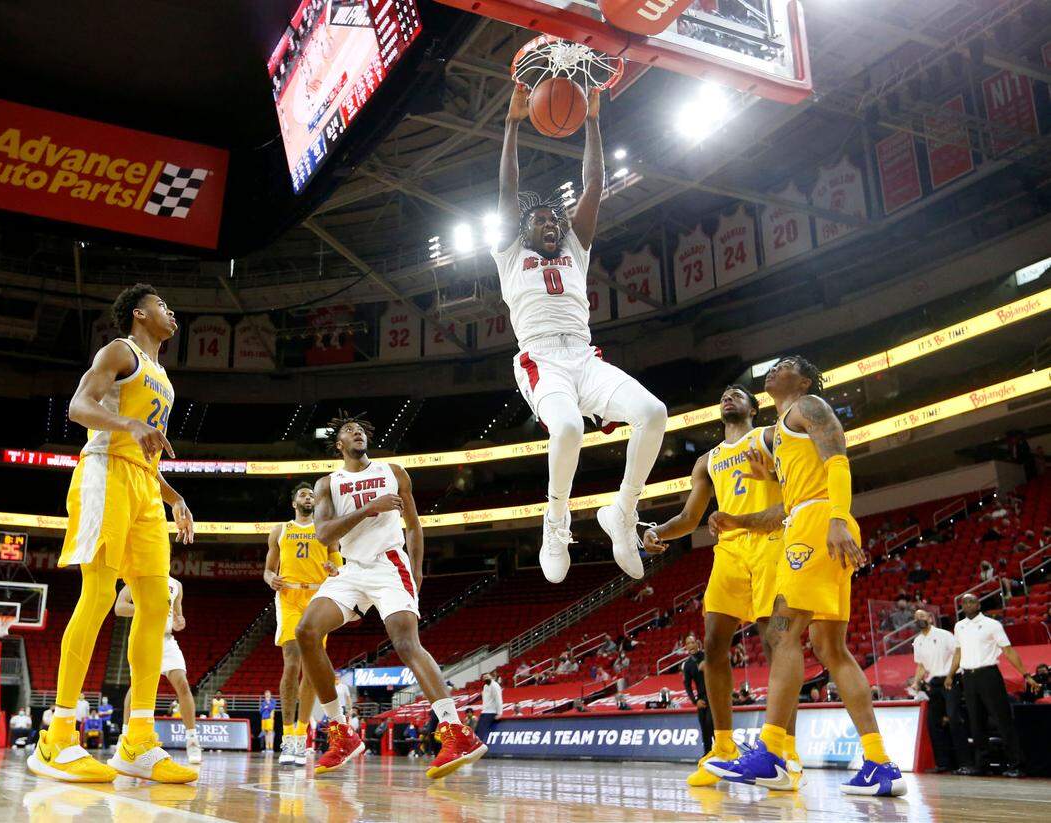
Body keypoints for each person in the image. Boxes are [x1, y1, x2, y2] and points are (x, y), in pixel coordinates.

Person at [705, 356, 906, 796]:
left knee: (781, 633)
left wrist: (836, 517)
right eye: (773, 366)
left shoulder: (809, 406)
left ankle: (772, 752)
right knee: (829, 647)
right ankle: (879, 763)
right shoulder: (780, 435)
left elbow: (838, 461)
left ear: (807, 379)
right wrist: (740, 521)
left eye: (787, 365)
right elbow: (785, 506)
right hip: (807, 520)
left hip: (817, 525)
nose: (775, 370)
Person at [495, 83, 667, 584]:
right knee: (567, 429)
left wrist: (591, 119)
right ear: (524, 230)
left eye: (555, 219)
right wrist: (512, 125)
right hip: (541, 359)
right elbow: (508, 191)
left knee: (653, 413)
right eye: (542, 220)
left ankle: (623, 512)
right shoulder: (509, 252)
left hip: (584, 357)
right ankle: (555, 520)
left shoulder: (575, 244)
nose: (551, 224)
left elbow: (593, 185)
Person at [27, 284, 196, 785]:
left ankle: (137, 740)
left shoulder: (163, 376)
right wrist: (126, 423)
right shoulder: (120, 350)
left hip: (144, 486)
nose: (172, 311)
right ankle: (56, 737)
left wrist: (174, 497)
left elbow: (142, 446)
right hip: (104, 474)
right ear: (141, 314)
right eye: (164, 305)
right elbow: (79, 407)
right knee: (99, 594)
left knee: (154, 604)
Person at [294, 412, 486, 778]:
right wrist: (369, 509)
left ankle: (456, 731)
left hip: (388, 564)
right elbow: (323, 534)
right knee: (305, 632)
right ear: (339, 445)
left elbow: (413, 526)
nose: (357, 434)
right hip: (351, 569)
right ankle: (341, 734)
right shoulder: (326, 485)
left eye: (361, 430)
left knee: (406, 643)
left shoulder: (393, 472)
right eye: (349, 431)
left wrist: (415, 570)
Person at [643, 385, 800, 787]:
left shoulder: (769, 436)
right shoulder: (707, 461)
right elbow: (689, 517)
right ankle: (723, 745)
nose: (728, 396)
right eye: (724, 394)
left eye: (738, 393)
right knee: (713, 645)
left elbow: (798, 489)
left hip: (770, 541)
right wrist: (656, 531)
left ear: (753, 406)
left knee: (775, 644)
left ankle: (784, 749)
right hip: (729, 550)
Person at [265, 482, 343, 766]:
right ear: (294, 502)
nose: (308, 497)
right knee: (292, 662)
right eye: (302, 494)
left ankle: (301, 735)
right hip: (289, 596)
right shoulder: (280, 530)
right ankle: (287, 737)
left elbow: (337, 560)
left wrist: (336, 568)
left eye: (311, 494)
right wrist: (268, 578)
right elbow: (268, 569)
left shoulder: (326, 528)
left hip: (318, 596)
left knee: (312, 668)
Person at [948, 593, 1038, 777]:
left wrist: (1026, 675)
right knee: (976, 721)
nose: (968, 604)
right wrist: (950, 674)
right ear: (962, 606)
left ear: (978, 604)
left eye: (972, 601)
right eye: (964, 602)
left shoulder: (992, 624)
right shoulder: (959, 626)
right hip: (968, 677)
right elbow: (958, 653)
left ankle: (1016, 764)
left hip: (988, 674)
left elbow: (1008, 651)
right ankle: (982, 764)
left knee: (1001, 718)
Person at [115, 576, 202, 765]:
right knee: (136, 688)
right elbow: (119, 607)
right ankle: (125, 736)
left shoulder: (177, 585)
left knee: (184, 685)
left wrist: (179, 622)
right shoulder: (139, 578)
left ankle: (192, 740)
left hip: (167, 641)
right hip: (144, 638)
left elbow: (178, 617)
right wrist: (144, 608)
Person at [909, 610, 971, 773]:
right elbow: (921, 665)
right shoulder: (917, 641)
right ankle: (943, 763)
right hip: (934, 682)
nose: (919, 620)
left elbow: (958, 653)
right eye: (916, 618)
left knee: (954, 719)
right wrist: (916, 682)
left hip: (951, 679)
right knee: (933, 723)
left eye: (922, 616)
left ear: (930, 618)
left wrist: (951, 675)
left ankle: (965, 763)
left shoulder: (944, 635)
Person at [477, 672, 503, 743]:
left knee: (481, 730)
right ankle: (477, 746)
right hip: (484, 711)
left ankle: (479, 747)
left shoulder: (495, 685)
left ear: (491, 677)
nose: (486, 678)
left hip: (491, 712)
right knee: (477, 729)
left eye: (487, 677)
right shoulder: (485, 686)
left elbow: (498, 699)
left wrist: (499, 713)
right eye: (484, 677)